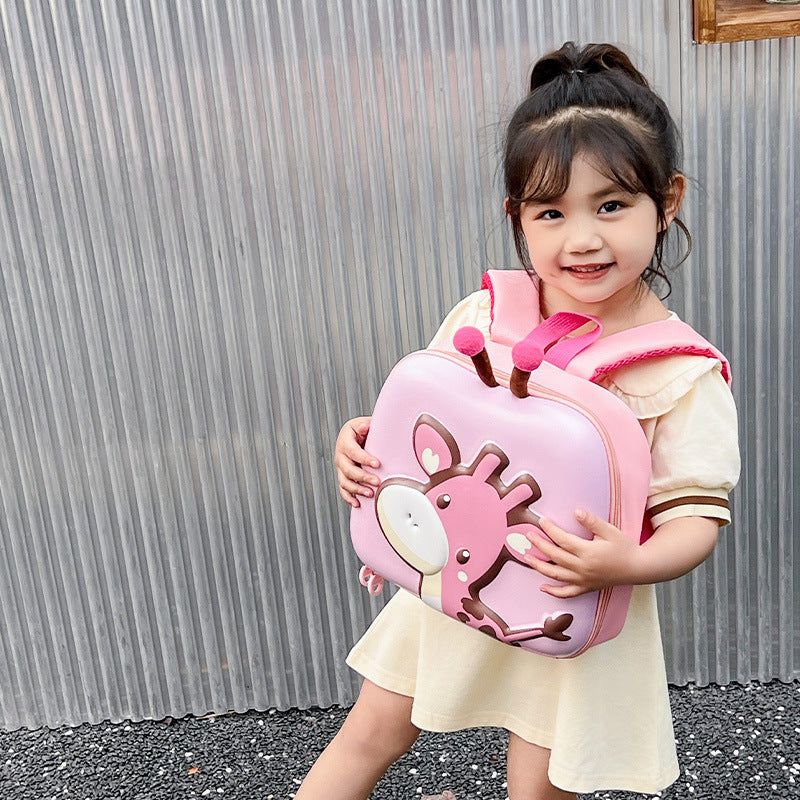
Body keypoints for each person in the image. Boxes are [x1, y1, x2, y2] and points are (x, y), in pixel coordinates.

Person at [296, 41, 740, 800]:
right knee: (368, 735)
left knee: (540, 787)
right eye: (550, 211)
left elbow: (697, 516)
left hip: (568, 605)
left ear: (667, 201)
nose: (582, 238)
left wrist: (625, 565)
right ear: (518, 217)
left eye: (612, 204)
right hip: (453, 585)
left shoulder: (679, 371)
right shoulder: (485, 315)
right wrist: (359, 444)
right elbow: (417, 430)